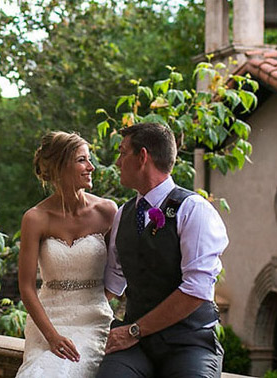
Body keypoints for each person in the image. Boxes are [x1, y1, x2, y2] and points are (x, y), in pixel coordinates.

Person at [96, 123, 229, 378]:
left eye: (122, 153)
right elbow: (113, 281)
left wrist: (134, 330)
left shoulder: (194, 210)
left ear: (142, 157)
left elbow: (196, 289)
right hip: (136, 346)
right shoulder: (123, 214)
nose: (118, 162)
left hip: (189, 342)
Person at [16, 131, 117, 378]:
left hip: (93, 321)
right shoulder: (35, 218)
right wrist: (52, 336)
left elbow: (119, 271)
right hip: (48, 322)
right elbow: (26, 287)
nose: (91, 167)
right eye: (82, 160)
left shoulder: (107, 211)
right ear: (60, 167)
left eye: (89, 159)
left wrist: (95, 299)